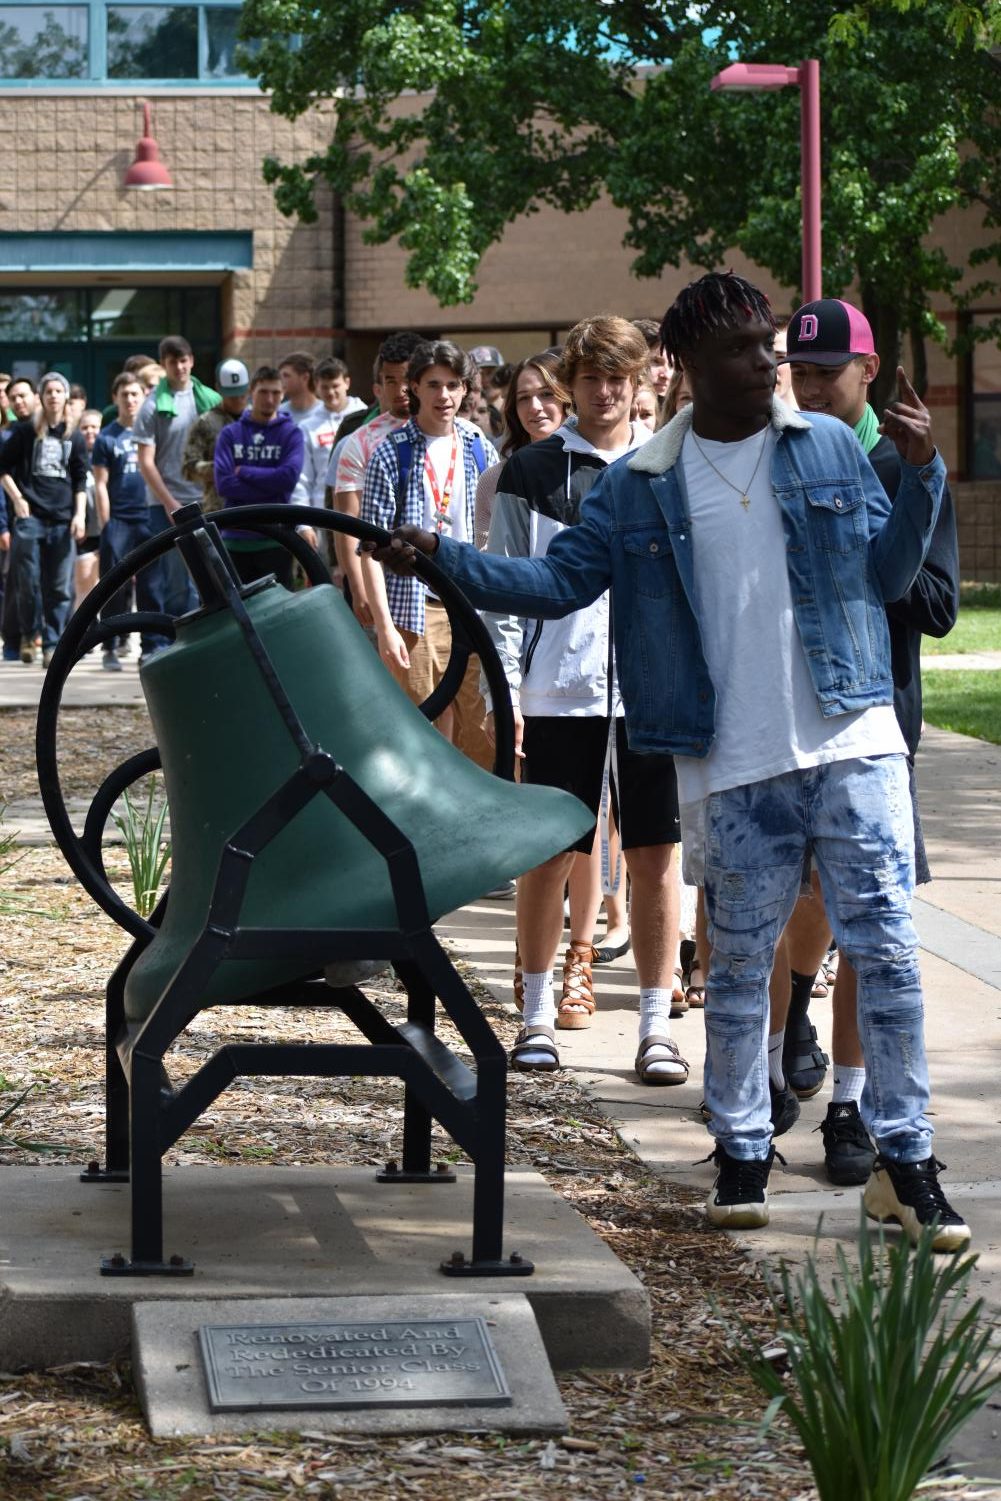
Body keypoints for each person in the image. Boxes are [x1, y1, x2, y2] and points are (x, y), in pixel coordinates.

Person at [367, 271, 969, 1254]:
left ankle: (907, 1163)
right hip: (731, 757)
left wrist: (921, 473)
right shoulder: (642, 481)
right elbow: (556, 581)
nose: (766, 363)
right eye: (742, 350)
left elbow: (888, 579)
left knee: (888, 953)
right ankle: (741, 1150)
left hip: (852, 739)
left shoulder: (824, 447)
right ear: (683, 367)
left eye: (766, 345)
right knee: (734, 966)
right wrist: (441, 557)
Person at [766, 298, 960, 1187]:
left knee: (868, 923)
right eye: (796, 372)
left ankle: (847, 1106)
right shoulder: (774, 454)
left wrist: (878, 533)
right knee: (800, 907)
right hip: (788, 719)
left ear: (868, 370)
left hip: (881, 724)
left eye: (825, 373)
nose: (807, 387)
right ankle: (784, 1030)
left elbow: (937, 606)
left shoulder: (905, 459)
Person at [476, 319, 685, 1078]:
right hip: (556, 690)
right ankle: (533, 1015)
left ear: (638, 382)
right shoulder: (530, 471)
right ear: (572, 383)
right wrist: (505, 689)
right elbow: (503, 587)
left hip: (649, 693)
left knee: (654, 855)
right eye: (590, 378)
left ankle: (655, 1026)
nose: (604, 392)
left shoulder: (667, 462)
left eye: (616, 378)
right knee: (548, 854)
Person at [361, 339, 497, 761]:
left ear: (465, 390)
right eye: (434, 384)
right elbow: (370, 547)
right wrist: (384, 626)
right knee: (417, 728)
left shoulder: (478, 446)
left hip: (471, 604)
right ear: (414, 388)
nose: (444, 396)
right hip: (415, 607)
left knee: (481, 732)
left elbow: (494, 534)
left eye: (454, 385)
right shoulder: (391, 452)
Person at [134, 336, 221, 660]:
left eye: (184, 360)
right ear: (164, 365)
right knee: (175, 581)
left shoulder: (211, 399)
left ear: (192, 360)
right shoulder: (153, 405)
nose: (180, 367)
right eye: (173, 362)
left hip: (208, 502)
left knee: (211, 575)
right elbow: (145, 462)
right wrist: (171, 504)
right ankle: (178, 647)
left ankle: (206, 645)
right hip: (165, 504)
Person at [330, 331, 424, 626]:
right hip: (381, 577)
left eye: (407, 379)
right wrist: (358, 589)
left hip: (439, 577)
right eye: (391, 381)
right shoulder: (359, 441)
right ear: (378, 385)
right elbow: (347, 520)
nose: (401, 390)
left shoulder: (456, 432)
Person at [0, 372, 88, 667]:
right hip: (30, 520)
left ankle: (52, 644)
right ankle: (29, 636)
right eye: (48, 391)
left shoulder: (73, 435)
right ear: (42, 396)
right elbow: (3, 467)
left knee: (60, 587)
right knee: (27, 582)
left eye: (58, 391)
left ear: (65, 397)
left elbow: (80, 479)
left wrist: (80, 515)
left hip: (63, 520)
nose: (53, 396)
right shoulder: (26, 432)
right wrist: (18, 499)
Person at [214, 364, 307, 587]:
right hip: (235, 539)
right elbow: (224, 484)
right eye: (263, 392)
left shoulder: (291, 433)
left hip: (276, 540)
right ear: (251, 393)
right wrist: (270, 485)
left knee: (279, 614)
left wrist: (245, 471)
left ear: (283, 394)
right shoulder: (230, 433)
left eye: (276, 392)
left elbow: (288, 478)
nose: (269, 398)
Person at [92, 372, 148, 670]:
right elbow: (100, 483)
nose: (129, 400)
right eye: (124, 394)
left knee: (152, 585)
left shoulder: (150, 433)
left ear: (143, 397)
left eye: (134, 394)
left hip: (148, 517)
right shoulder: (106, 437)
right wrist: (106, 522)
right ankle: (110, 646)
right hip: (120, 519)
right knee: (114, 584)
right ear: (116, 398)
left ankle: (149, 647)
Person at [0, 380, 40, 660]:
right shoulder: (7, 436)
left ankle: (46, 638)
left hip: (52, 517)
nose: (18, 402)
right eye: (13, 397)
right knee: (18, 581)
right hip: (19, 518)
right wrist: (3, 523)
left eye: (23, 396)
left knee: (49, 582)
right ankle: (15, 642)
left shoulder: (53, 430)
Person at [295, 357, 367, 512]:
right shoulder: (307, 426)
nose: (330, 392)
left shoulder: (367, 418)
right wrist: (303, 523)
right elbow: (302, 479)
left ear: (347, 383)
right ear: (316, 386)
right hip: (323, 513)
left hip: (363, 507)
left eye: (335, 386)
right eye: (325, 387)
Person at [182, 359, 252, 513]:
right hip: (219, 508)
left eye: (243, 395)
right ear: (218, 390)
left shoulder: (258, 420)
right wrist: (220, 469)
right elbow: (188, 468)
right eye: (233, 397)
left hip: (255, 505)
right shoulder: (206, 422)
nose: (239, 401)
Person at [74, 408, 104, 610]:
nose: (90, 431)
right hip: (85, 533)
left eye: (94, 427)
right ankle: (83, 636)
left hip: (108, 529)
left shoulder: (107, 455)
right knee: (84, 584)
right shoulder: (72, 457)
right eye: (84, 427)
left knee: (111, 586)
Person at [278, 350, 323, 427]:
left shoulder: (325, 413)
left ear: (305, 377)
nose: (280, 381)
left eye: (286, 375)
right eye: (280, 376)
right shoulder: (278, 414)